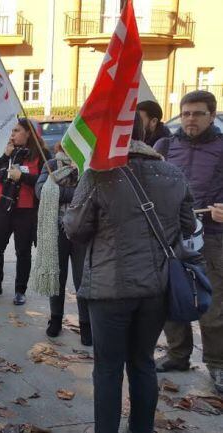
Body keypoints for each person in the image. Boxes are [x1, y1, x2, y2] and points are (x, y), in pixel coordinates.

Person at [64, 117, 195, 433]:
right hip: (156, 287)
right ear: (142, 132)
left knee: (108, 369)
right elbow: (188, 225)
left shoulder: (97, 174)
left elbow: (75, 229)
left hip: (109, 290)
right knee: (142, 362)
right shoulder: (173, 173)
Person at [153, 90, 223, 393]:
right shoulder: (165, 145)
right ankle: (177, 354)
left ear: (212, 115)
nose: (190, 119)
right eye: (186, 113)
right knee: (172, 296)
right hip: (171, 236)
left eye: (198, 113)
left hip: (212, 237)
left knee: (214, 306)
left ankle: (217, 365)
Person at [0, 119, 47, 306]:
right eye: (12, 131)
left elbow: (46, 181)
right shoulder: (8, 152)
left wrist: (22, 177)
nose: (12, 134)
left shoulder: (40, 155)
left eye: (16, 130)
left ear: (28, 133)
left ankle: (20, 291)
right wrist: (4, 156)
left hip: (25, 210)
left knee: (23, 251)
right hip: (1, 207)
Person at [33, 144, 90, 345]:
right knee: (56, 275)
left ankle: (86, 324)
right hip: (55, 228)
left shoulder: (87, 166)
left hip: (83, 230)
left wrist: (58, 191)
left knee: (83, 279)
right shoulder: (51, 164)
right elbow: (41, 190)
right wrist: (72, 193)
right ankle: (55, 319)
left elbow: (90, 195)